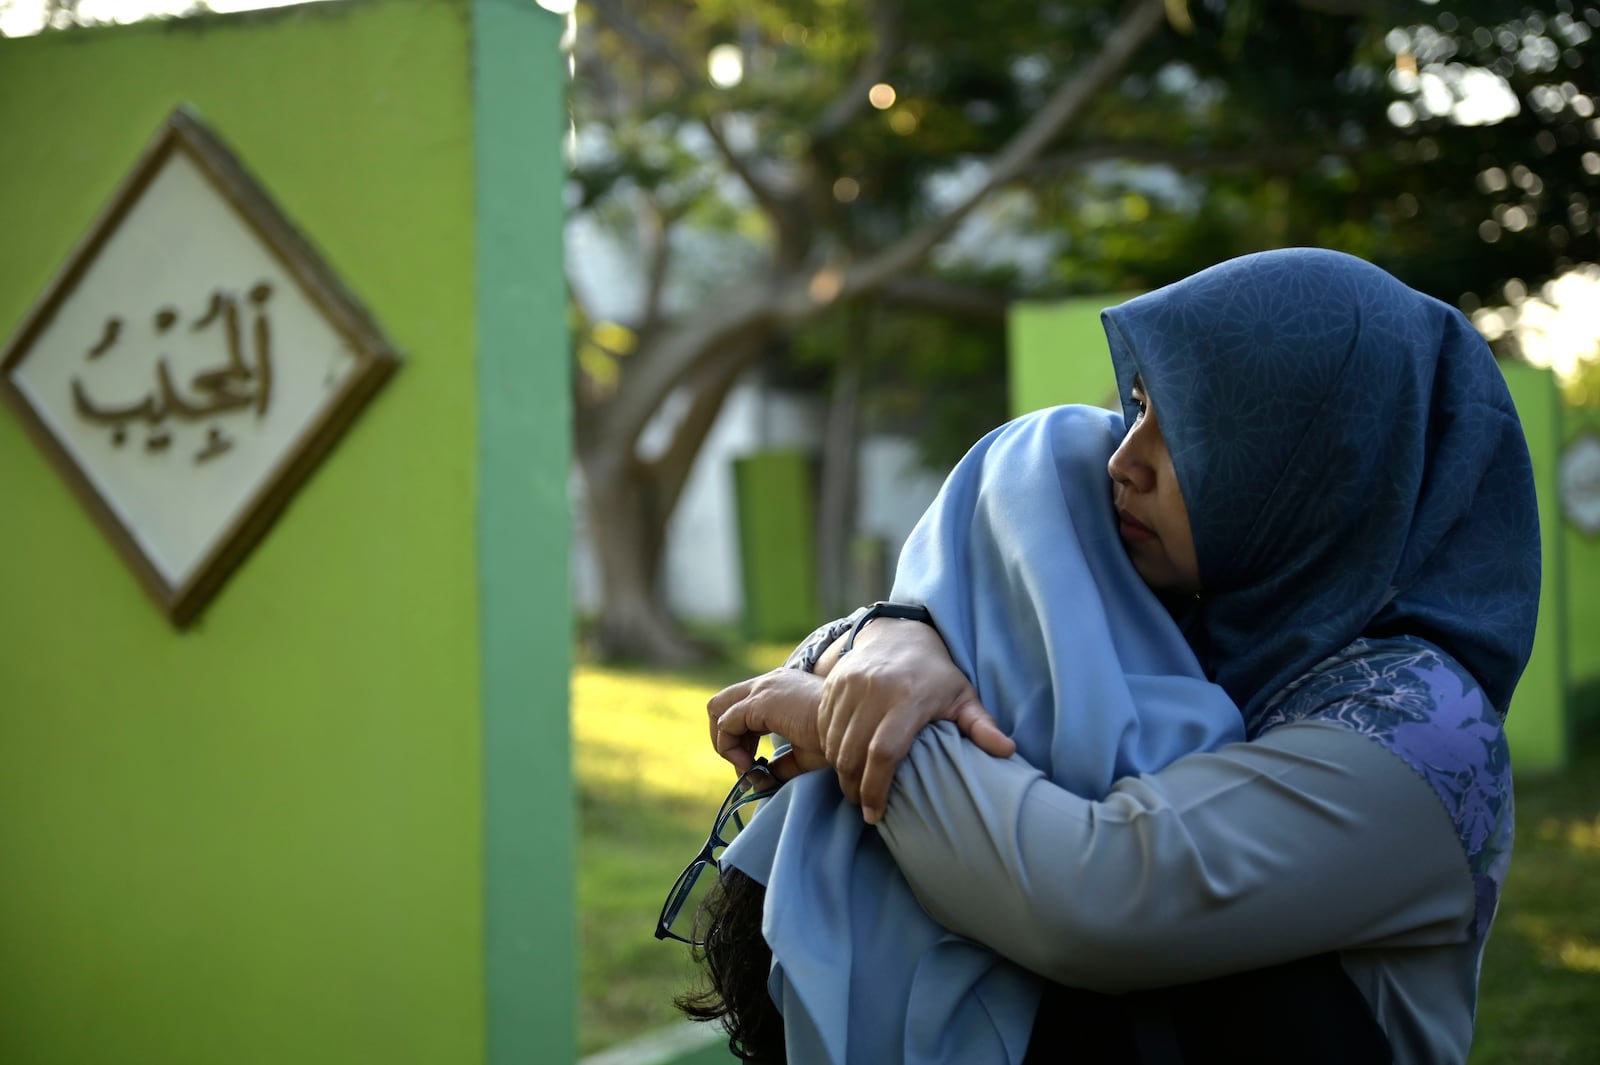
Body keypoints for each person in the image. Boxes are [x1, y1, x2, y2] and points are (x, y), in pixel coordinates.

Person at [682, 248, 1539, 1064]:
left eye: (1192, 429)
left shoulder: (1424, 729)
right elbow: (986, 581)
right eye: (1139, 402)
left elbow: (1092, 897)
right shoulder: (1202, 611)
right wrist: (885, 634)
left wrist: (843, 718)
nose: (1128, 460)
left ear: (1323, 464)